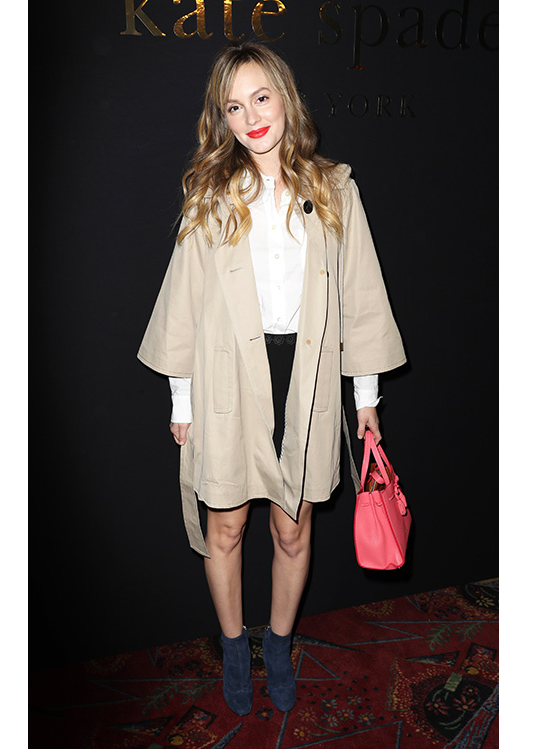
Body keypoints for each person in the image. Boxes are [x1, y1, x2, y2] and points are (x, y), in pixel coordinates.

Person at [137, 41, 405, 716]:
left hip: (307, 376)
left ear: (285, 97)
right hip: (228, 375)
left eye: (261, 98)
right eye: (234, 107)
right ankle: (235, 645)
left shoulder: (335, 189)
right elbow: (182, 303)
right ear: (221, 119)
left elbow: (361, 295)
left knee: (292, 527)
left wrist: (365, 397)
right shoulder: (211, 197)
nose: (252, 117)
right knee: (225, 526)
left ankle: (279, 642)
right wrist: (181, 400)